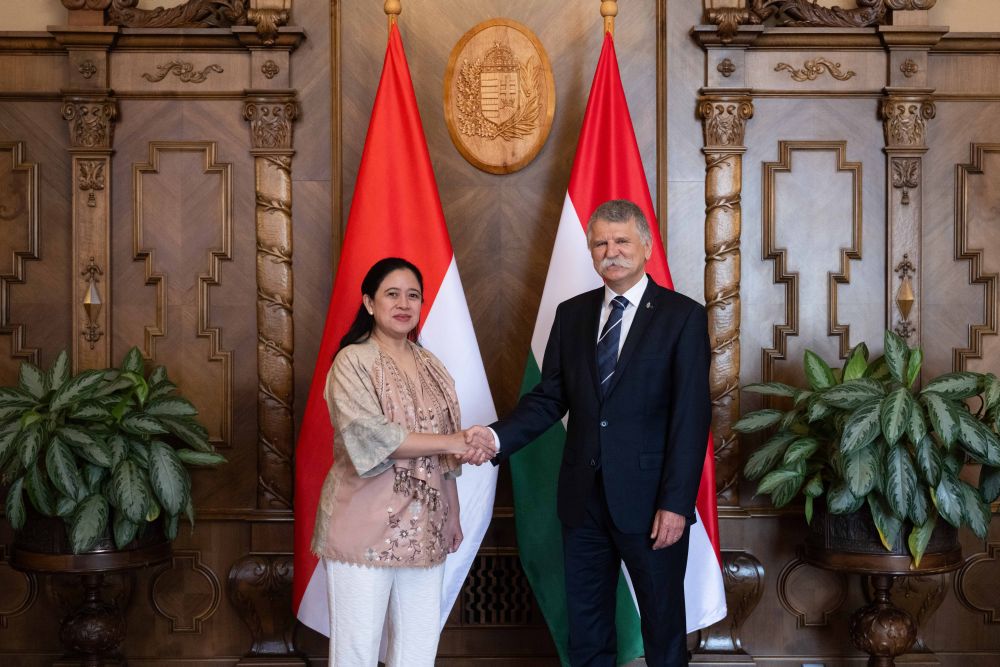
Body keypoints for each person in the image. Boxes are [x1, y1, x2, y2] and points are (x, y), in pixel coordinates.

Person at [467, 199, 711, 666]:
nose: (610, 251)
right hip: (582, 501)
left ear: (646, 247)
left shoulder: (682, 317)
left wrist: (677, 503)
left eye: (621, 241)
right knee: (588, 629)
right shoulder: (572, 314)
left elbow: (691, 418)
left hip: (651, 503)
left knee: (663, 628)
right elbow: (550, 397)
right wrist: (496, 438)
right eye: (600, 243)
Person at [311, 257, 494, 666]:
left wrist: (453, 513)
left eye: (413, 295)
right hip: (363, 526)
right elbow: (372, 436)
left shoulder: (432, 365)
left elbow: (447, 458)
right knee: (356, 651)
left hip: (428, 525)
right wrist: (455, 440)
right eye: (391, 294)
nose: (403, 303)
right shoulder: (352, 361)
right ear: (369, 302)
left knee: (417, 651)